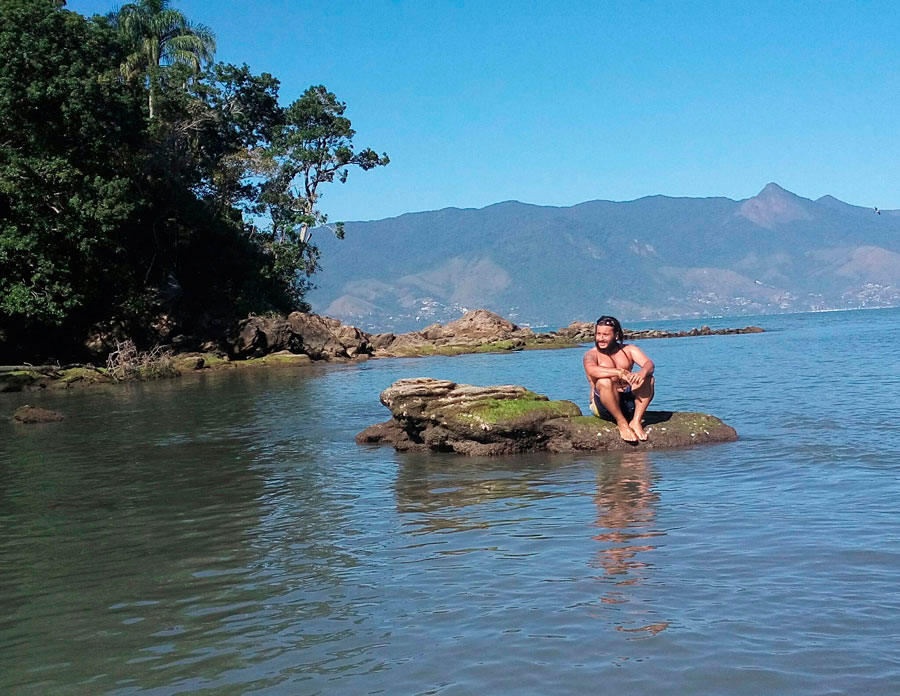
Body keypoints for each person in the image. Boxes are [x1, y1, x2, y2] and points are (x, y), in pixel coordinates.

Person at [582, 315, 655, 442]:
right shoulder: (591, 354)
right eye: (598, 334)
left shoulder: (629, 350)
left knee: (649, 379)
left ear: (616, 336)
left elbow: (649, 364)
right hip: (605, 406)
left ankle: (635, 421)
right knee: (604, 381)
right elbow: (591, 369)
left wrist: (642, 373)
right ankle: (622, 423)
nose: (600, 338)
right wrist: (619, 372)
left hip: (628, 402)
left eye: (605, 334)